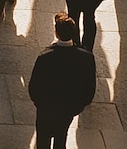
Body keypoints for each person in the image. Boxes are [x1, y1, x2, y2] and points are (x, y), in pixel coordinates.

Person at [28, 13, 96, 149]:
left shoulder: (45, 57)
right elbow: (90, 88)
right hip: (68, 109)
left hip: (46, 108)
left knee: (43, 140)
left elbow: (34, 87)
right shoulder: (86, 58)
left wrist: (39, 103)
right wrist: (78, 106)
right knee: (61, 136)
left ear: (56, 33)